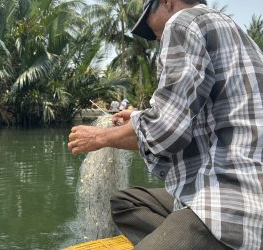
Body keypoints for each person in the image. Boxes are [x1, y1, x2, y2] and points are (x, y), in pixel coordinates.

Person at [68, 0, 263, 249]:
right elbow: (191, 125)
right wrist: (141, 116)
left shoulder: (183, 22)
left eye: (154, 31)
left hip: (230, 200)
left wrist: (100, 138)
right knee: (126, 202)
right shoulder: (241, 36)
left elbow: (166, 132)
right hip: (241, 187)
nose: (158, 38)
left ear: (167, 3)